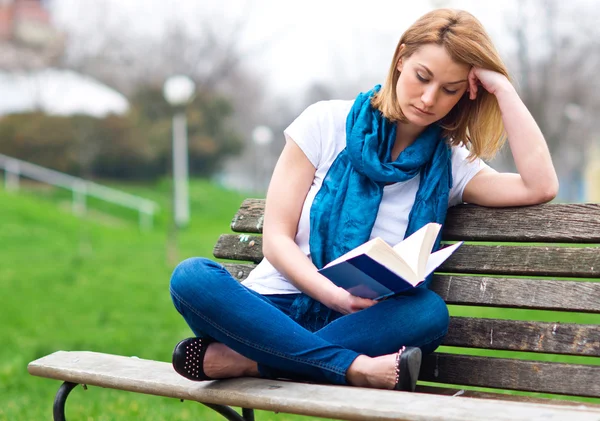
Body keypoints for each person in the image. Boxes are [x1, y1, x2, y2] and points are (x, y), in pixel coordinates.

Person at [169, 8, 558, 392]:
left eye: (450, 89)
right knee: (192, 277)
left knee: (428, 312)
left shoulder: (452, 165)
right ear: (401, 58)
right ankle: (353, 368)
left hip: (363, 322)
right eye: (422, 77)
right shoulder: (324, 124)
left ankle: (249, 360)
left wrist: (502, 87)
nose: (428, 98)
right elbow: (276, 240)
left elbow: (538, 186)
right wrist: (333, 295)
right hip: (270, 310)